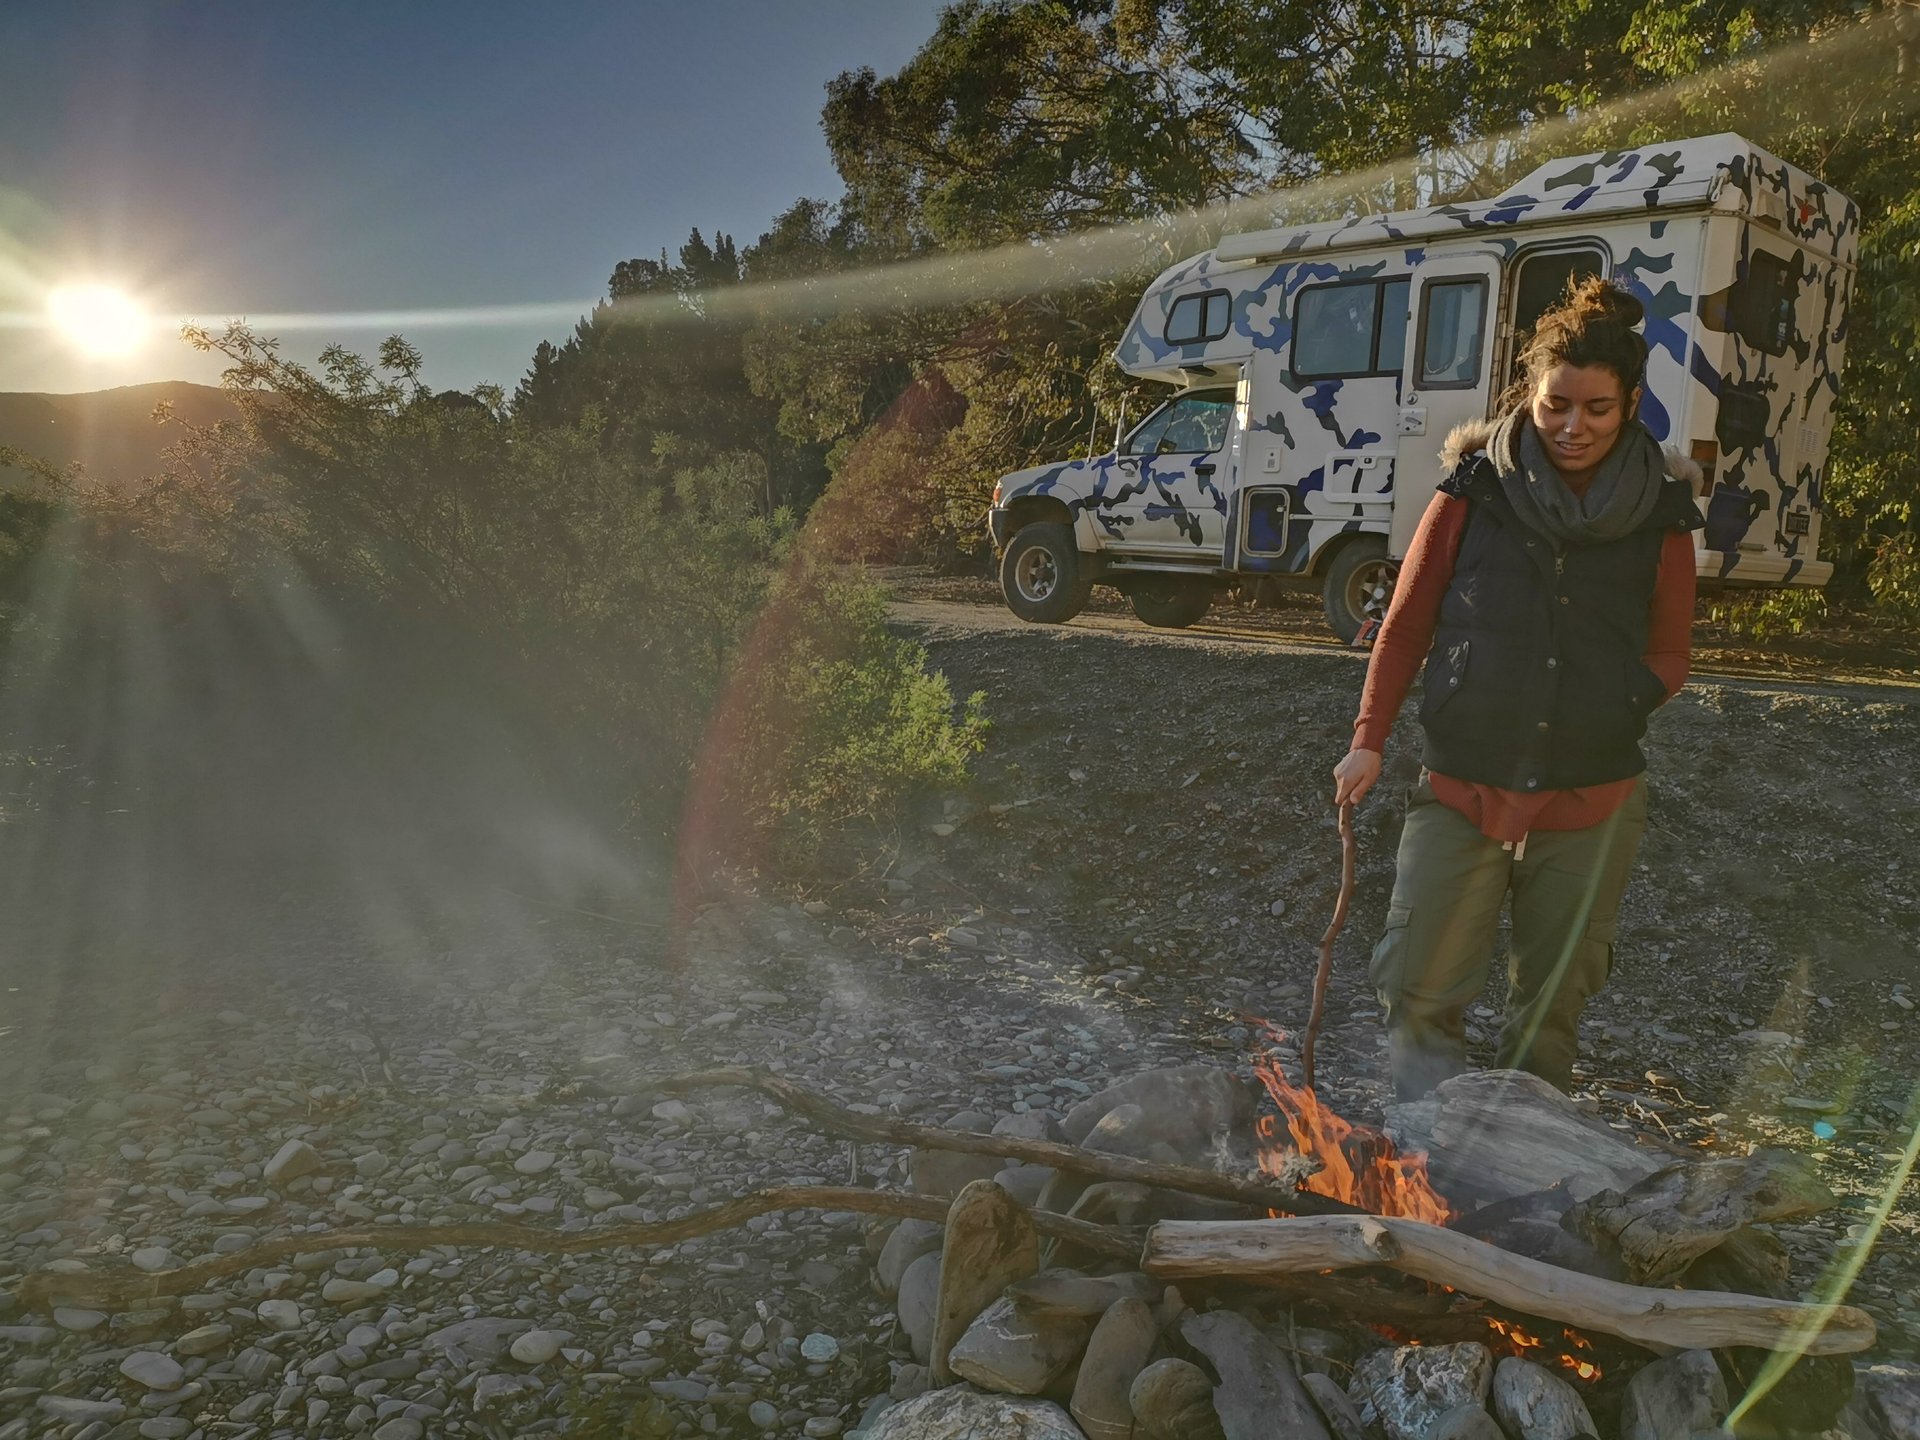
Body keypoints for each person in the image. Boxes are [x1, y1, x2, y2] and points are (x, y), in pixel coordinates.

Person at [1331, 278, 1703, 1101]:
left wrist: (1616, 705)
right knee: (1418, 985)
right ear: (1528, 396)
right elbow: (1404, 628)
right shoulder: (1473, 488)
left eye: (1597, 410)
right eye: (1554, 405)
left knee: (1552, 1006)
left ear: (1632, 403)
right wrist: (1369, 739)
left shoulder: (1663, 510)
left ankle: (1521, 1172)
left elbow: (1671, 652)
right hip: (1462, 779)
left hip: (1594, 797)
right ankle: (1424, 1158)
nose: (1573, 428)